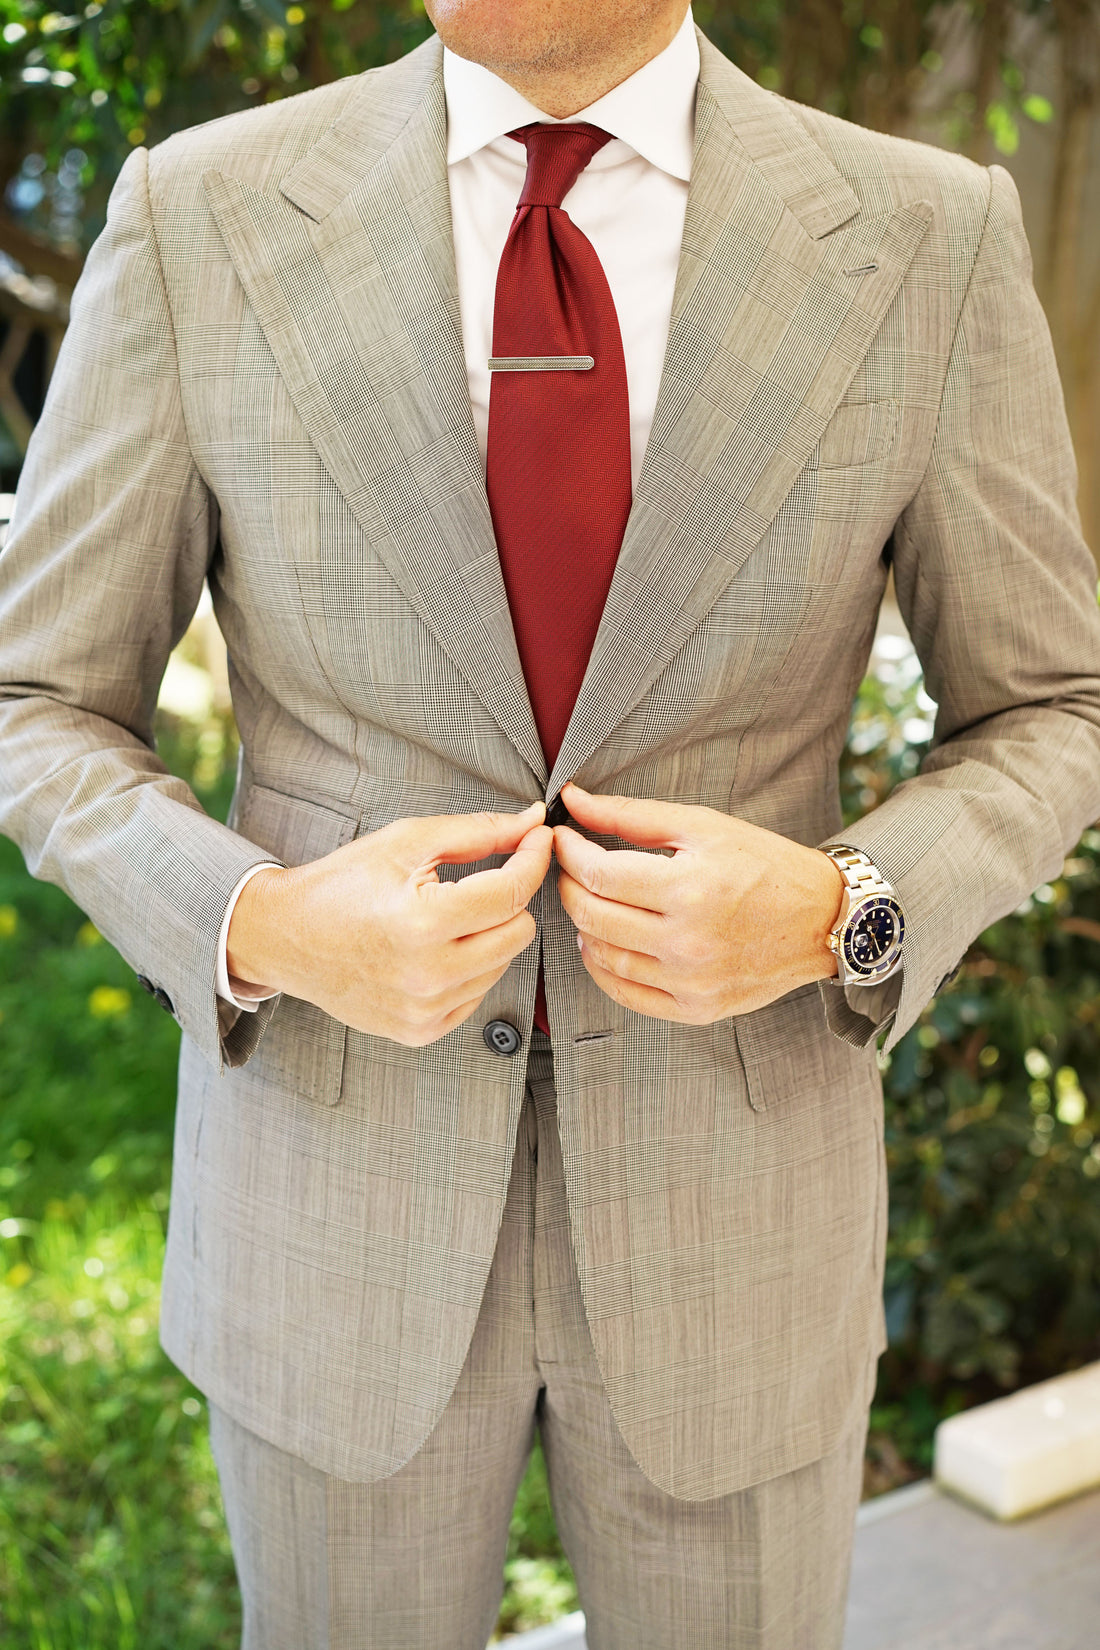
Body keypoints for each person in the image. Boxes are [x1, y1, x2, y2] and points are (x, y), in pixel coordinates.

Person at [2, 1, 1099, 1645]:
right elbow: (35, 699)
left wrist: (845, 907)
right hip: (332, 1228)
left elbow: (1055, 708)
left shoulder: (927, 240)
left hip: (740, 1246)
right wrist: (264, 922)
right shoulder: (197, 216)